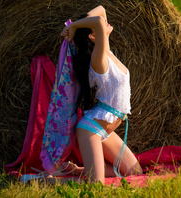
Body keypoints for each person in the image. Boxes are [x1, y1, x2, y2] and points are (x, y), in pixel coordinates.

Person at [61, 5, 142, 183]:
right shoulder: (98, 59)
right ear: (93, 36)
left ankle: (77, 171)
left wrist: (79, 24)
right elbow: (98, 20)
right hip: (91, 129)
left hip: (105, 131)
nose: (106, 21)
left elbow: (101, 10)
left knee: (135, 171)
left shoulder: (107, 52)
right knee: (96, 185)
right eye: (99, 26)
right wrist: (74, 26)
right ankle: (41, 180)